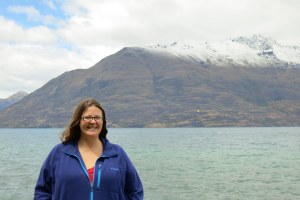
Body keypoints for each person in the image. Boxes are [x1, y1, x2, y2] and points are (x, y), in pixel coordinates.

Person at [34, 98, 143, 199]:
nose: (93, 121)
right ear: (78, 121)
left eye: (97, 117)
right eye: (87, 117)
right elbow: (42, 192)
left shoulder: (117, 154)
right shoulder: (59, 153)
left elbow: (135, 191)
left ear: (103, 122)